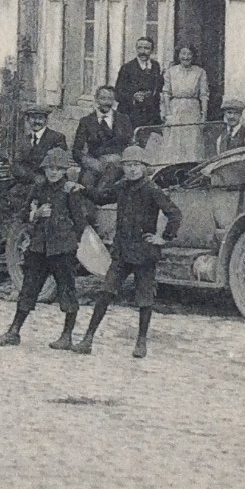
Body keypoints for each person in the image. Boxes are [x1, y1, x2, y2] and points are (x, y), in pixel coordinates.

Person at [75, 145, 182, 358]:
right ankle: (87, 339)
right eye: (128, 165)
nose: (132, 170)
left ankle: (141, 342)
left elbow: (175, 214)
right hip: (122, 252)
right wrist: (82, 189)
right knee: (105, 293)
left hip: (144, 253)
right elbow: (100, 197)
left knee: (144, 299)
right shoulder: (122, 187)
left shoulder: (152, 189)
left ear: (144, 167)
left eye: (136, 165)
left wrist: (164, 238)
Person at [0, 147, 91, 350]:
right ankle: (14, 332)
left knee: (67, 291)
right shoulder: (38, 190)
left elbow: (81, 223)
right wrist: (36, 216)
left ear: (64, 171)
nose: (53, 172)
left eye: (58, 169)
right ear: (44, 170)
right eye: (50, 168)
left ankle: (67, 336)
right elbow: (22, 216)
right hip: (38, 248)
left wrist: (71, 245)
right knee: (28, 290)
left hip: (62, 250)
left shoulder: (71, 191)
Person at [71, 85, 133, 184]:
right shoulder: (86, 121)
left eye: (110, 99)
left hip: (118, 167)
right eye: (103, 98)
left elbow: (131, 144)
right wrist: (90, 162)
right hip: (95, 165)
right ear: (96, 100)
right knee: (86, 186)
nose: (107, 102)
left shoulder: (123, 119)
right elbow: (76, 150)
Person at [162, 45, 209, 160]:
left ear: (193, 56)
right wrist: (168, 113)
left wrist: (204, 115)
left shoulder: (200, 72)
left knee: (192, 141)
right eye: (183, 54)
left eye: (189, 54)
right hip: (175, 108)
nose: (186, 57)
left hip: (193, 108)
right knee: (175, 141)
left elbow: (204, 94)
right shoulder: (171, 72)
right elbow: (166, 93)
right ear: (178, 55)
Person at [114, 37, 163, 131]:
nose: (143, 51)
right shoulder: (127, 67)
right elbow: (117, 93)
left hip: (151, 116)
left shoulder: (156, 66)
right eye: (140, 48)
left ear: (152, 50)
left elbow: (158, 89)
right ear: (136, 49)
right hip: (130, 114)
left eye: (147, 48)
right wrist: (133, 96)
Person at [11, 103, 67, 184]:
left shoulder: (57, 138)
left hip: (49, 183)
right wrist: (33, 177)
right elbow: (17, 164)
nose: (36, 121)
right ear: (27, 120)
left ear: (46, 120)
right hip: (27, 182)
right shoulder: (23, 140)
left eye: (40, 118)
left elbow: (56, 165)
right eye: (33, 118)